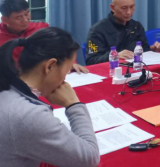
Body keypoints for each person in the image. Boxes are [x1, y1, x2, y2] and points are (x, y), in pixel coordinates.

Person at [0, 27, 100, 167]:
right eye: (67, 70)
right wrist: (74, 104)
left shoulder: (7, 85)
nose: (65, 79)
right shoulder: (28, 115)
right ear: (50, 66)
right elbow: (89, 159)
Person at [0, 0, 88, 73]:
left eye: (27, 14)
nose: (25, 20)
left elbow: (62, 48)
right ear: (5, 20)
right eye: (18, 18)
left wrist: (70, 63)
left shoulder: (41, 28)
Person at [86, 0, 160, 65]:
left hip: (135, 68)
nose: (129, 12)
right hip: (111, 70)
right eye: (124, 8)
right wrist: (114, 56)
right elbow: (91, 61)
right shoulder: (97, 30)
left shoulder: (136, 26)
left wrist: (152, 50)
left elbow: (144, 51)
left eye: (132, 7)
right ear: (113, 8)